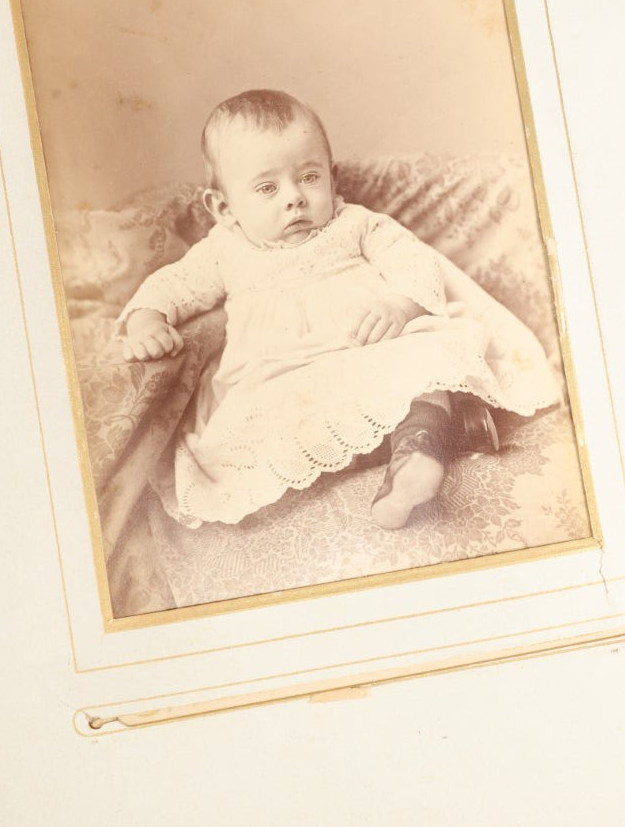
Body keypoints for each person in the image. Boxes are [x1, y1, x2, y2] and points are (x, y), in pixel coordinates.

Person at [119, 90, 561, 529]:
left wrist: (400, 305)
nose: (294, 198)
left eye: (309, 177)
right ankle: (454, 433)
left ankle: (418, 450)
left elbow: (413, 259)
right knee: (249, 440)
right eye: (267, 188)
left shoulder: (355, 224)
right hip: (285, 377)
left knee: (423, 365)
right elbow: (173, 285)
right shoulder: (223, 251)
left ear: (332, 178)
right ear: (222, 206)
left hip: (371, 351)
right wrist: (147, 319)